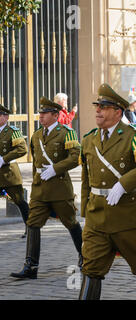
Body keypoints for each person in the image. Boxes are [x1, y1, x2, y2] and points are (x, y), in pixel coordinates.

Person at [78, 84, 136, 300]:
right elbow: (86, 178)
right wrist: (86, 211)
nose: (98, 110)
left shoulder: (134, 135)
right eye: (97, 106)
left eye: (103, 107)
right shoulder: (88, 139)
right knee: (91, 268)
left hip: (127, 217)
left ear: (117, 112)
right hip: (97, 217)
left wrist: (123, 184)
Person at [10, 97, 82, 279]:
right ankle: (30, 266)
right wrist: (35, 181)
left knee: (71, 223)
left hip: (59, 188)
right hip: (41, 188)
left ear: (55, 115)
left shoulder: (67, 132)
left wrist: (55, 168)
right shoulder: (36, 135)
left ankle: (85, 257)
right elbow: (36, 162)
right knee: (33, 223)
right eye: (40, 113)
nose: (40, 116)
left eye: (44, 113)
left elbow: (75, 157)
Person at [0, 104, 29, 238]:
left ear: (6, 117)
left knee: (19, 201)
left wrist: (4, 159)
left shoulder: (13, 131)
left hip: (9, 174)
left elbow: (22, 149)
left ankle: (30, 228)